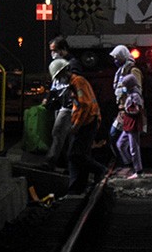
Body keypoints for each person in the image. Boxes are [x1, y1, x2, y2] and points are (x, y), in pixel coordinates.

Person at [50, 59, 106, 195]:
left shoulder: (77, 82)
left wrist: (76, 125)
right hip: (85, 122)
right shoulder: (73, 84)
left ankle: (100, 170)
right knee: (78, 156)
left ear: (64, 72)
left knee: (74, 155)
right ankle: (76, 188)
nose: (58, 80)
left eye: (58, 77)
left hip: (87, 123)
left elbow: (85, 105)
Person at [42, 37, 82, 169]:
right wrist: (48, 97)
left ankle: (51, 161)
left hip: (68, 105)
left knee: (58, 132)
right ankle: (65, 163)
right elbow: (55, 85)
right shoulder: (59, 63)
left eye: (54, 50)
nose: (52, 54)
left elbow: (73, 84)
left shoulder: (72, 64)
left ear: (63, 49)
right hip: (61, 104)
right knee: (63, 136)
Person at [108, 45, 143, 167]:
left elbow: (137, 91)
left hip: (127, 111)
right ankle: (127, 162)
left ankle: (131, 165)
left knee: (123, 139)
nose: (115, 60)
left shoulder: (133, 71)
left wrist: (129, 107)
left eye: (117, 58)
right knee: (119, 138)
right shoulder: (121, 71)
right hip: (122, 109)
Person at [116, 74, 145, 179]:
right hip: (128, 123)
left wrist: (126, 109)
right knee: (120, 144)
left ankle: (138, 171)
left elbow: (138, 109)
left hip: (133, 123)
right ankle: (129, 163)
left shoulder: (136, 95)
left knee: (134, 148)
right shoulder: (130, 93)